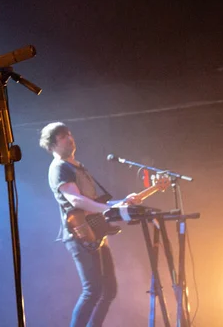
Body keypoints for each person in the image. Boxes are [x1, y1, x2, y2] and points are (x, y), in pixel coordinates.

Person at [39, 122, 142, 327]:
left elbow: (95, 203)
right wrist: (108, 209)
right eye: (62, 136)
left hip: (95, 231)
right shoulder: (59, 167)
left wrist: (122, 202)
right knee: (93, 290)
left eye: (69, 134)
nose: (69, 138)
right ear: (51, 145)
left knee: (109, 290)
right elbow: (76, 201)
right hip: (80, 234)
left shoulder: (79, 167)